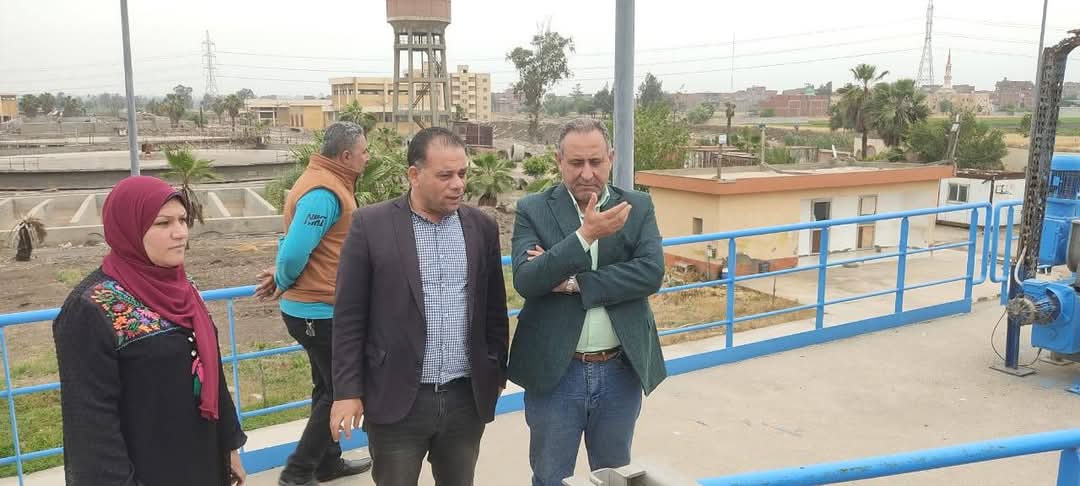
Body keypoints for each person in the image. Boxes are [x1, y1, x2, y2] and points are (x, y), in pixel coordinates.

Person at [330, 127, 509, 486]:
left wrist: (495, 371)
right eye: (445, 175)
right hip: (396, 399)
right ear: (414, 174)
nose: (458, 184)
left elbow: (494, 309)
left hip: (464, 399)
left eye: (462, 173)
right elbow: (349, 317)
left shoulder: (481, 228)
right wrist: (347, 392)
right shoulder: (371, 225)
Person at [53, 176, 247, 485]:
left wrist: (229, 445)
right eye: (163, 223)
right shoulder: (90, 309)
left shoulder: (183, 288)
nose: (180, 232)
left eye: (183, 219)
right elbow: (91, 425)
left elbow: (212, 370)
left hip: (201, 462)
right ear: (129, 228)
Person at [508, 119, 667, 486]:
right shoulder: (533, 209)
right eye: (576, 163)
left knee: (613, 477)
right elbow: (528, 280)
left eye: (595, 162)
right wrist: (585, 235)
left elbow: (650, 273)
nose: (586, 173)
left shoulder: (637, 206)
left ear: (610, 158)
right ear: (559, 161)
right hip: (555, 373)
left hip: (619, 371)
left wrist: (576, 282)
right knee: (550, 476)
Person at [254, 122, 373, 486]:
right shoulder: (324, 192)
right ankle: (297, 473)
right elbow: (293, 253)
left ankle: (327, 463)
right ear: (347, 156)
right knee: (340, 391)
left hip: (318, 310)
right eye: (365, 152)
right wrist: (282, 279)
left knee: (326, 388)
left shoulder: (328, 181)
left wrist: (283, 276)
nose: (368, 158)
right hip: (319, 313)